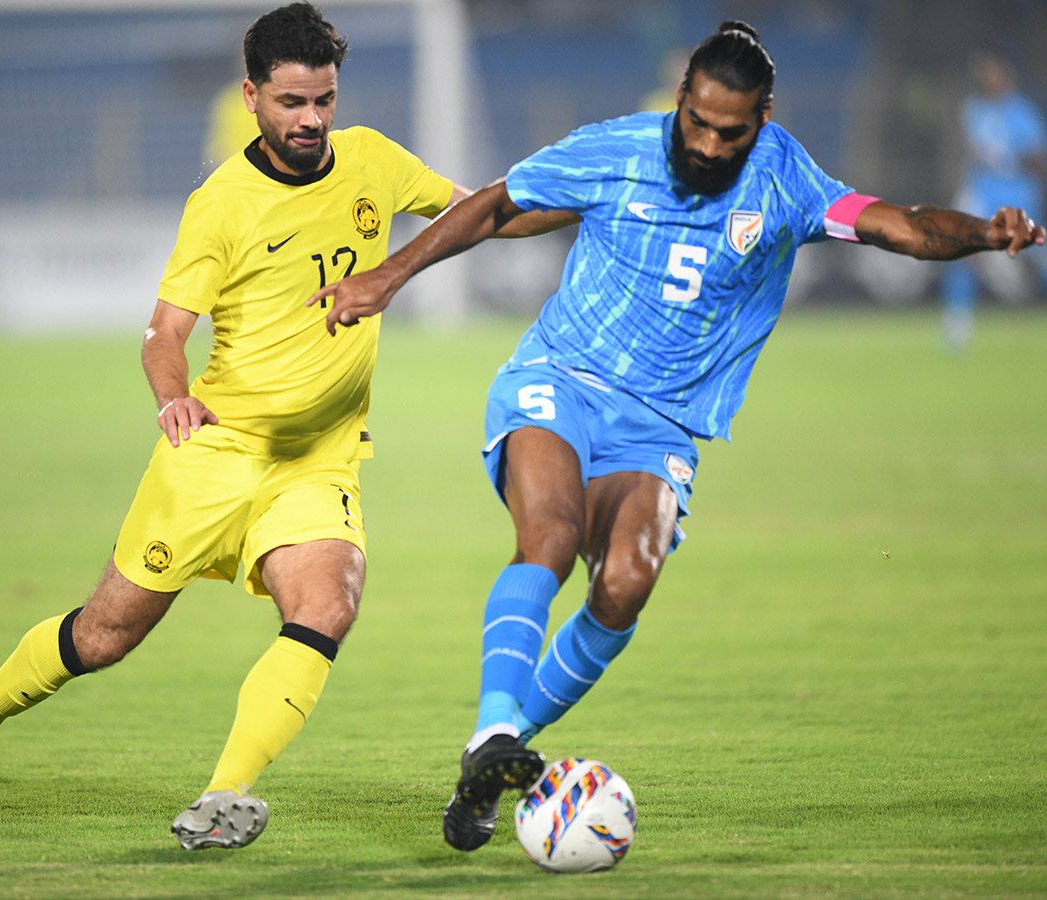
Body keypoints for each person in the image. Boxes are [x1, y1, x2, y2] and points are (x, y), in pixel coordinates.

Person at [307, 20, 1045, 852]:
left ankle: (492, 756)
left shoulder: (786, 179)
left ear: (761, 119)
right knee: (547, 538)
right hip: (563, 378)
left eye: (729, 130)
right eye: (696, 119)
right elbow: (496, 204)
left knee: (624, 584)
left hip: (662, 423)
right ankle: (491, 736)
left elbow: (901, 227)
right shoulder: (617, 148)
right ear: (684, 97)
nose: (706, 142)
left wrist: (985, 234)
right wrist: (389, 276)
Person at [0, 2, 554, 851]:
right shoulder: (222, 204)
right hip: (214, 451)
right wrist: (172, 395)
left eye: (324, 99)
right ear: (252, 96)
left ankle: (226, 794)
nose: (312, 120)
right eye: (293, 102)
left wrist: (604, 202)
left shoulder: (371, 162)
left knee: (328, 603)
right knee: (106, 636)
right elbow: (163, 335)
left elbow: (486, 212)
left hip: (315, 464)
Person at [940, 50, 1046, 351]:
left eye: (993, 71)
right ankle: (957, 323)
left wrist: (1021, 169)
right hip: (982, 191)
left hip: (1016, 191)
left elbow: (1037, 158)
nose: (988, 77)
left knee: (1033, 254)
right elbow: (971, 154)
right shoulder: (974, 109)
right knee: (961, 249)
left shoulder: (1022, 113)